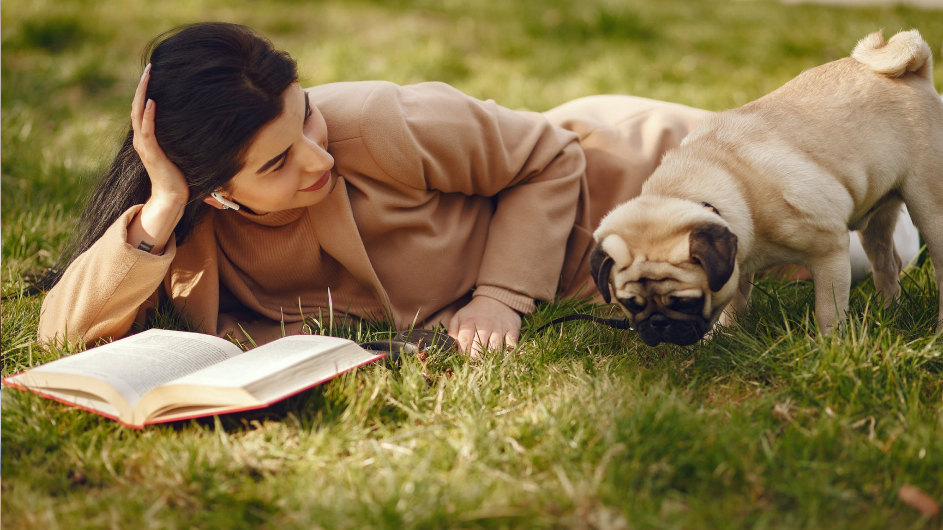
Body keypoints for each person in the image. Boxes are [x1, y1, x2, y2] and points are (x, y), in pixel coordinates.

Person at [36, 22, 919, 355]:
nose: (317, 156)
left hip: (628, 184)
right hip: (574, 202)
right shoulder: (179, 237)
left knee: (883, 227)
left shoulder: (372, 120)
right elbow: (62, 334)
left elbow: (545, 160)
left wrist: (500, 295)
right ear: (215, 195)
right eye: (276, 164)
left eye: (304, 118)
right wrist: (156, 210)